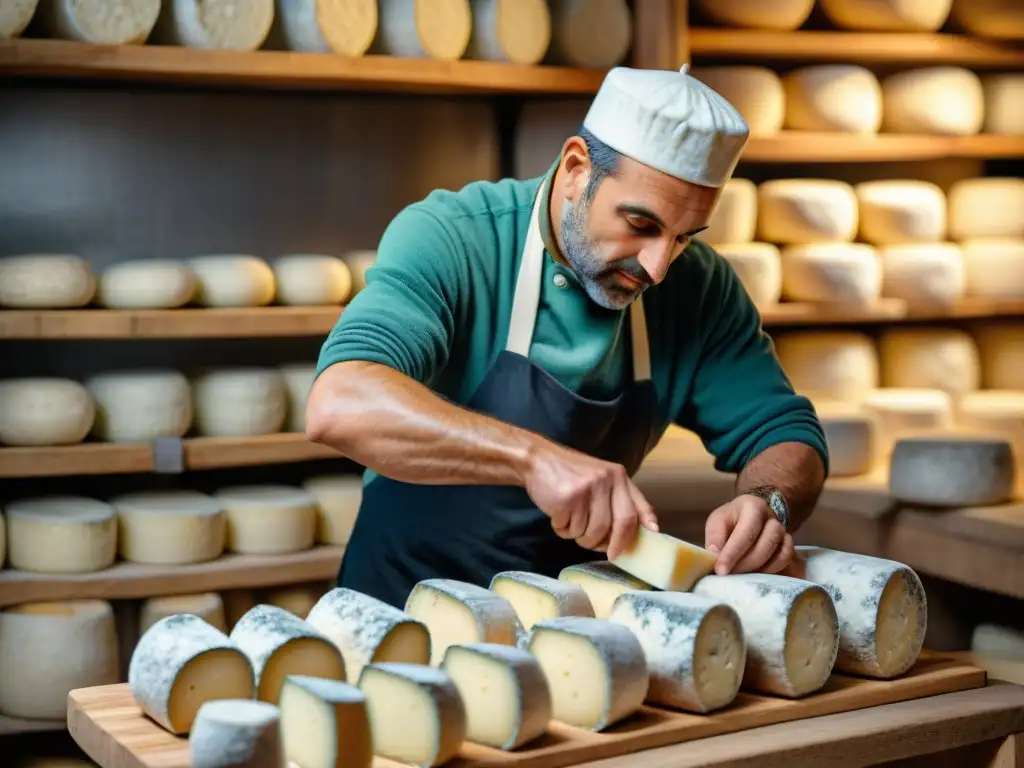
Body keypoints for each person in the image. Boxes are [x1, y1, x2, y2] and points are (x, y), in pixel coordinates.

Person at [305, 65, 829, 609]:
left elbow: (785, 432)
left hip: (575, 625)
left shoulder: (698, 286)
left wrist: (769, 504)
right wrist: (534, 460)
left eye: (683, 238)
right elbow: (339, 402)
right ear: (577, 169)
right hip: (405, 606)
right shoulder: (455, 238)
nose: (657, 268)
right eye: (641, 225)